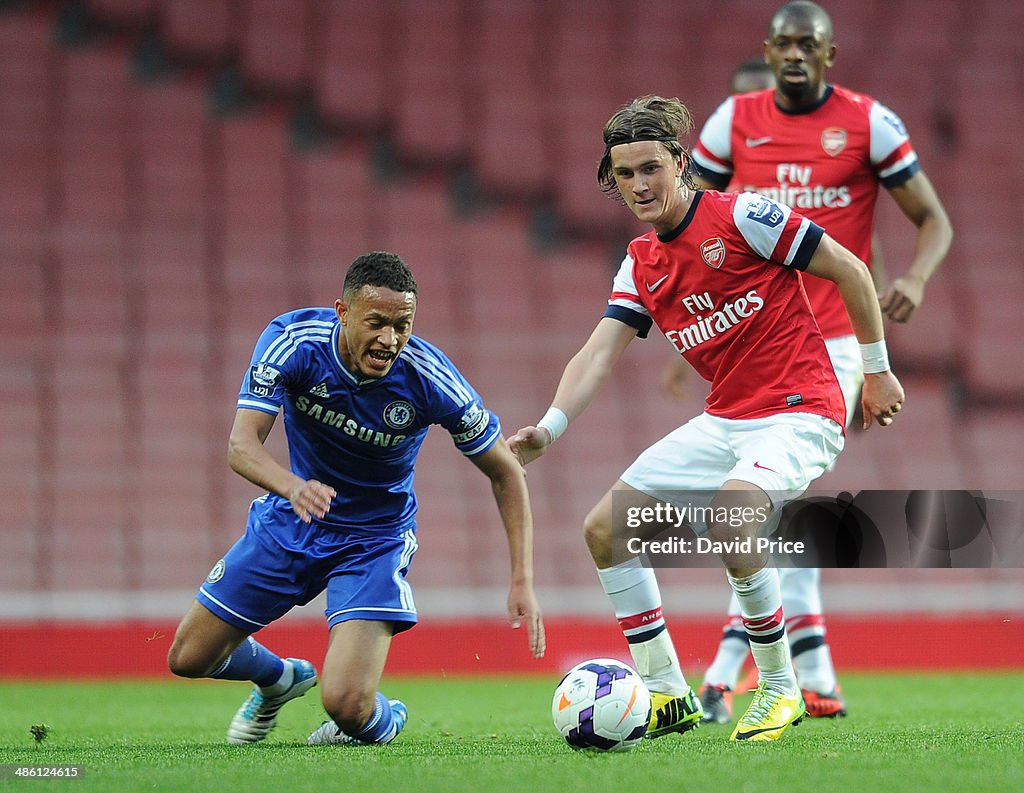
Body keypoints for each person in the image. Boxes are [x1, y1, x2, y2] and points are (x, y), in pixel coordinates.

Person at [509, 95, 904, 742]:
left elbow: (851, 269)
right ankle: (669, 694)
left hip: (801, 409)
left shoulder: (743, 216)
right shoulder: (641, 262)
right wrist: (548, 428)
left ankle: (781, 688)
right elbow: (597, 353)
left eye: (650, 168)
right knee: (606, 528)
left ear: (680, 162)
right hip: (726, 420)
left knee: (732, 512)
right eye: (625, 173)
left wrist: (878, 368)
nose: (639, 184)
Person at [686, 1, 953, 722]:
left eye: (810, 44)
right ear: (767, 51)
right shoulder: (728, 123)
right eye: (784, 44)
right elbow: (693, 223)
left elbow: (933, 217)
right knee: (764, 516)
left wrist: (914, 281)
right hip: (753, 342)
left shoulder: (870, 122)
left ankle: (719, 679)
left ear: (829, 54)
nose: (796, 54)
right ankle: (811, 672)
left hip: (830, 348)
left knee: (754, 511)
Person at [167, 251, 545, 747]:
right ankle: (279, 677)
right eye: (377, 323)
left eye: (403, 325)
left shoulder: (429, 378)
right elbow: (241, 446)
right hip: (292, 518)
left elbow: (506, 472)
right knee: (188, 658)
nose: (390, 340)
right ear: (342, 313)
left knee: (346, 705)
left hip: (374, 540)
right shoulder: (293, 343)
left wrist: (522, 578)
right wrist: (292, 487)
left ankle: (386, 717)